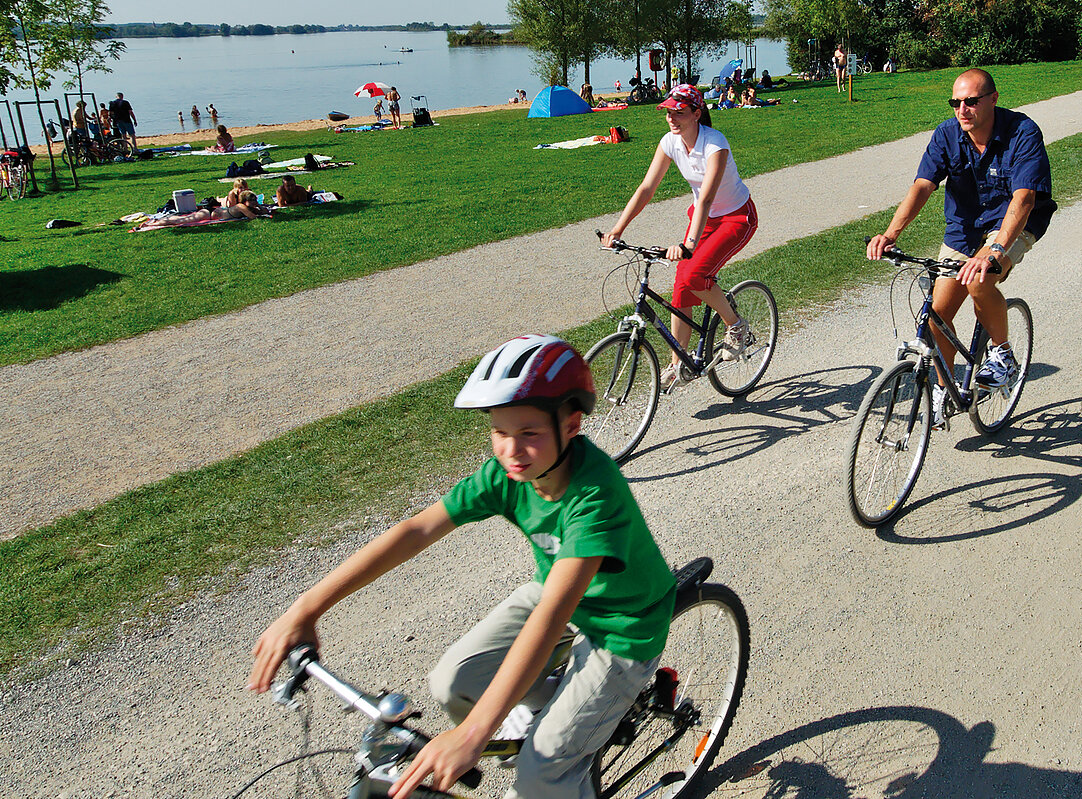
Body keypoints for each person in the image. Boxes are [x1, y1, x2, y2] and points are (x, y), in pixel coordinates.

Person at [248, 334, 676, 799]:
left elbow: (553, 612)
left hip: (624, 626)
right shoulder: (511, 474)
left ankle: (554, 765)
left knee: (541, 773)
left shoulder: (595, 498)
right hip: (559, 594)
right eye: (499, 431)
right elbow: (417, 530)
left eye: (529, 433)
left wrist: (474, 734)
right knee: (452, 681)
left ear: (571, 425)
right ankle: (556, 719)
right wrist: (306, 608)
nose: (511, 450)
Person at [867, 68, 1056, 419]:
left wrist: (995, 250)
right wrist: (891, 234)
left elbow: (1024, 199)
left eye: (971, 101)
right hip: (964, 229)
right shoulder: (947, 134)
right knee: (936, 315)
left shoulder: (1022, 132)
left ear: (993, 99)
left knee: (981, 278)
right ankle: (944, 390)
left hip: (1014, 224)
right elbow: (923, 185)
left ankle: (1002, 354)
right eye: (956, 102)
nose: (962, 109)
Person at [601, 84, 759, 391]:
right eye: (668, 112)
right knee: (681, 284)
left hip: (736, 218)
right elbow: (647, 188)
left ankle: (736, 327)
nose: (672, 118)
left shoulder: (715, 144)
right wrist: (618, 229)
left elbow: (706, 199)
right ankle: (678, 363)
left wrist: (688, 246)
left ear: (696, 114)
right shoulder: (670, 142)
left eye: (679, 113)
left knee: (695, 274)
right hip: (705, 221)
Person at [142, 191, 261, 227]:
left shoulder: (246, 207)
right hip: (208, 214)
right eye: (252, 201)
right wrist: (258, 207)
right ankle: (152, 224)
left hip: (213, 212)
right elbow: (254, 218)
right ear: (245, 202)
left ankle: (161, 221)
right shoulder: (241, 207)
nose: (254, 203)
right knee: (182, 221)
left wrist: (258, 206)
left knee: (182, 219)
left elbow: (263, 212)